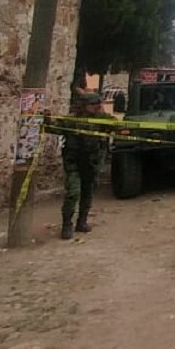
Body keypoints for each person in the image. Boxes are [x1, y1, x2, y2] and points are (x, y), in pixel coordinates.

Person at [61, 93, 108, 241]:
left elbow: (116, 126)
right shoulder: (71, 120)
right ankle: (66, 224)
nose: (96, 107)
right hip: (74, 162)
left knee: (87, 192)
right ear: (84, 105)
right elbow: (54, 126)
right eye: (93, 104)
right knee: (73, 193)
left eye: (98, 104)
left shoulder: (102, 119)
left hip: (92, 162)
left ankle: (82, 221)